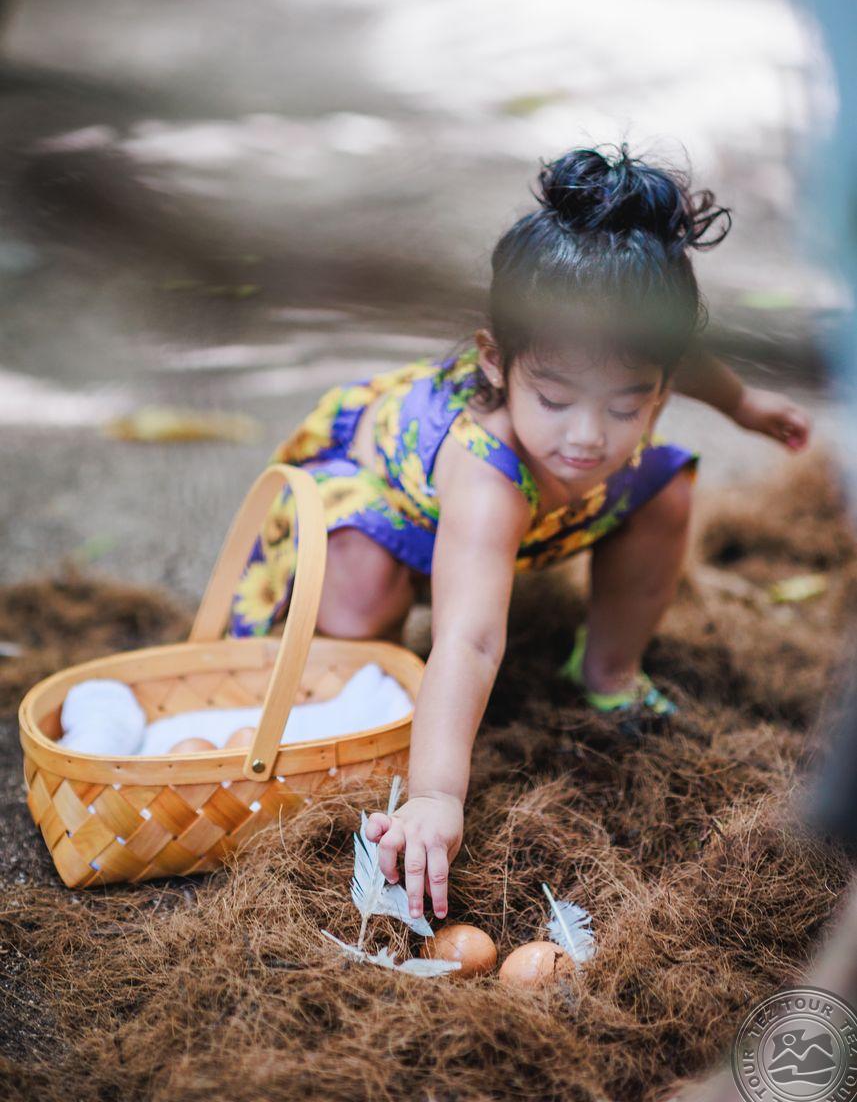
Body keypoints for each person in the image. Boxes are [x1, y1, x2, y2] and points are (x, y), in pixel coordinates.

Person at [228, 143, 811, 920]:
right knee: (359, 606)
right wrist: (436, 795)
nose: (587, 437)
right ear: (497, 363)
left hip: (532, 512)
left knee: (663, 488)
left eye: (624, 405)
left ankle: (608, 671)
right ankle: (368, 696)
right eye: (555, 398)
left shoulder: (635, 373)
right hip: (390, 507)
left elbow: (687, 362)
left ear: (658, 382)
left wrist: (745, 407)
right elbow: (469, 641)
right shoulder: (486, 471)